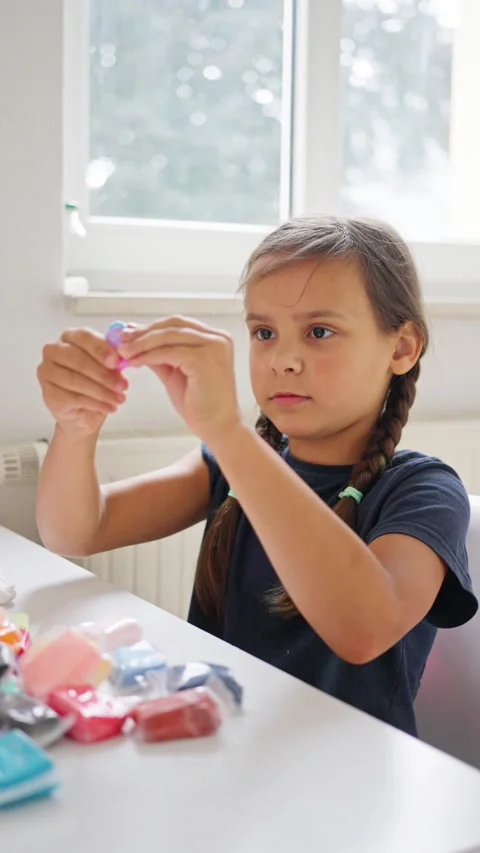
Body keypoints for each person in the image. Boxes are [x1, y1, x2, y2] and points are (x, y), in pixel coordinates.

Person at [36, 215, 477, 736]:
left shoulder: (424, 491)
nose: (283, 360)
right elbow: (76, 530)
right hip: (224, 748)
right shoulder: (230, 465)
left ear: (401, 348)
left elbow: (363, 629)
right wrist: (76, 426)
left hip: (349, 771)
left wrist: (228, 432)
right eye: (264, 333)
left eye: (319, 332)